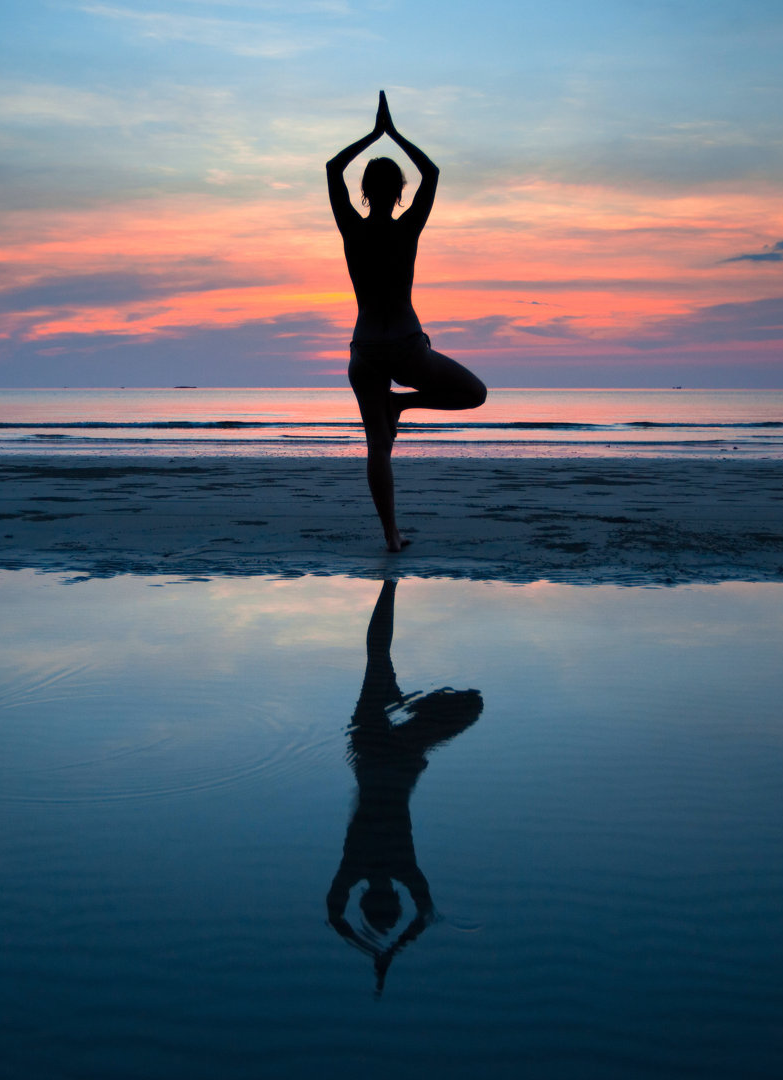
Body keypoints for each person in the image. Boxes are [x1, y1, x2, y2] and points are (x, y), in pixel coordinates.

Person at [327, 92, 486, 552]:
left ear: (363, 192)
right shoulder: (405, 228)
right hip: (405, 345)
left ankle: (391, 536)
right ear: (399, 193)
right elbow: (432, 173)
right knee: (475, 393)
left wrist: (372, 136)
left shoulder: (351, 229)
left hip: (364, 350)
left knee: (378, 446)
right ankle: (405, 406)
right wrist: (393, 134)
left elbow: (332, 169)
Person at [326, 579, 482, 995]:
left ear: (394, 896)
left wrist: (390, 951)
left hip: (399, 757)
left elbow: (425, 913)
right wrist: (377, 951)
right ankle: (407, 700)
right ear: (370, 897)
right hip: (374, 746)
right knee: (382, 659)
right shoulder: (356, 868)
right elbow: (336, 915)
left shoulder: (400, 868)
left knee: (472, 705)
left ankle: (408, 701)